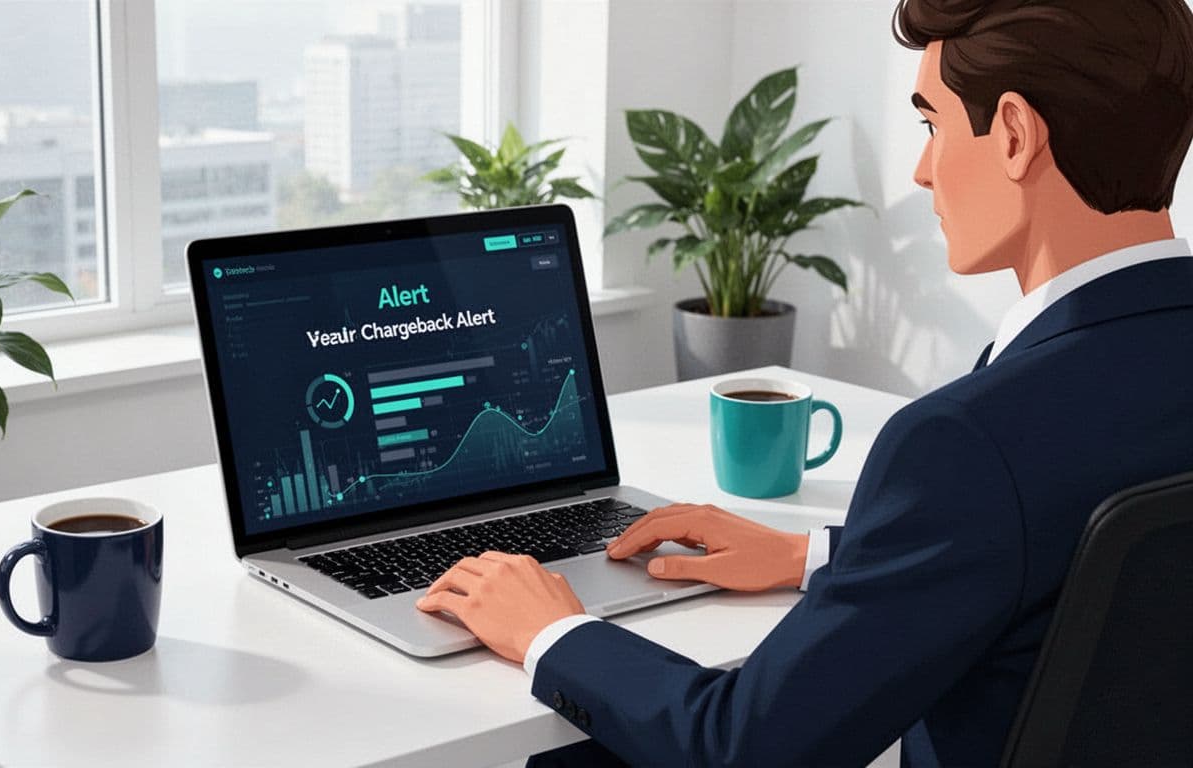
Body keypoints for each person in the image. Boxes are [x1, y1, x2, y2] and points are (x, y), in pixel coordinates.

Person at [416, 0, 1193, 765]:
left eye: (932, 126)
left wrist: (552, 632)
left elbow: (740, 747)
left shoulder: (966, 439)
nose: (922, 172)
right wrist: (821, 554)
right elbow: (1074, 540)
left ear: (1016, 134)